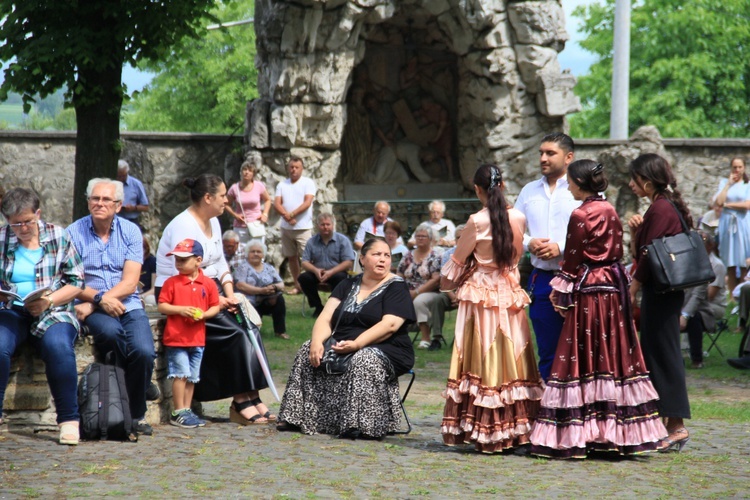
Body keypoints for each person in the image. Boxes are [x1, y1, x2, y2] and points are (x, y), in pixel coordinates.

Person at [528, 160, 667, 458]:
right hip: (614, 286)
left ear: (579, 183)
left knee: (582, 356)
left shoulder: (580, 214)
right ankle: (613, 433)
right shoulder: (609, 209)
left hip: (590, 286)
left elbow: (572, 257)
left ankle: (582, 433)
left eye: (570, 182)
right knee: (612, 354)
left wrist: (561, 287)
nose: (567, 186)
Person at [156, 174, 276, 425]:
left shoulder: (214, 222)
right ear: (208, 198)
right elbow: (186, 271)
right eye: (223, 196)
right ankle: (240, 399)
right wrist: (217, 299)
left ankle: (253, 396)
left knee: (248, 325)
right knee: (236, 334)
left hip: (209, 289)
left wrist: (230, 295)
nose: (227, 200)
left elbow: (220, 261)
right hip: (182, 293)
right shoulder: (184, 226)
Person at [440, 165, 543, 453]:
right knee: (513, 355)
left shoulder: (476, 221)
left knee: (482, 357)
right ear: (504, 184)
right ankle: (518, 427)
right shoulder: (519, 217)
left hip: (481, 294)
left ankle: (484, 428)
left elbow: (454, 266)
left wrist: (451, 282)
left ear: (477, 189)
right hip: (509, 292)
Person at [277, 238, 416, 438]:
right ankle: (297, 417)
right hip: (344, 342)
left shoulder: (397, 286)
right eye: (376, 254)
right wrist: (317, 342)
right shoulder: (347, 284)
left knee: (364, 359)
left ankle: (362, 424)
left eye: (387, 255)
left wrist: (358, 344)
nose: (383, 259)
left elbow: (390, 325)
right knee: (307, 348)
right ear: (362, 259)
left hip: (387, 347)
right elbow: (326, 318)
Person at [67, 178, 156, 436]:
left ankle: (135, 413)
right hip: (88, 300)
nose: (100, 203)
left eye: (106, 199)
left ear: (118, 205)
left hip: (126, 303)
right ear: (88, 202)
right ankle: (132, 409)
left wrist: (99, 301)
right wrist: (97, 300)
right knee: (110, 334)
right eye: (95, 198)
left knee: (143, 351)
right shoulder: (73, 232)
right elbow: (70, 280)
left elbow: (130, 282)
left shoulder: (130, 232)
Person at [0, 188, 85, 445]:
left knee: (58, 346)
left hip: (53, 309)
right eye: (15, 223)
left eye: (27, 221)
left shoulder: (58, 236)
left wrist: (48, 300)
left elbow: (76, 282)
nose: (22, 228)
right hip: (12, 309)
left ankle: (69, 420)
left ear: (38, 214)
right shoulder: (3, 239)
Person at [628, 153, 693, 452]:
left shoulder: (661, 209)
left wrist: (634, 286)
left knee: (664, 355)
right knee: (657, 354)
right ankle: (667, 424)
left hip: (662, 294)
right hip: (663, 294)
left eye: (635, 178)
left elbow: (648, 256)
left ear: (648, 181)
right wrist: (634, 232)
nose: (631, 184)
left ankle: (677, 426)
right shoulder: (660, 208)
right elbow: (641, 250)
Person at [514, 132, 580, 381]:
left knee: (580, 347)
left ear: (568, 157)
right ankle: (549, 410)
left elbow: (597, 230)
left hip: (578, 279)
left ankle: (580, 410)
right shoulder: (529, 191)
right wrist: (529, 242)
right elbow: (512, 231)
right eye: (541, 152)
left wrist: (561, 247)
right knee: (548, 347)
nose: (543, 158)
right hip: (542, 279)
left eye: (550, 153)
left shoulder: (581, 189)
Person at [157, 239, 220, 428]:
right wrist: (181, 310)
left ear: (198, 260)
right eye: (177, 260)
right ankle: (178, 411)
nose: (179, 264)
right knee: (180, 374)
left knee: (192, 377)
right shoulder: (171, 283)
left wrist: (204, 315)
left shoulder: (207, 283)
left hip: (197, 339)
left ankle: (186, 409)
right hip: (177, 339)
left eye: (183, 260)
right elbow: (162, 305)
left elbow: (215, 306)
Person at [680, 231, 727, 369]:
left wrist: (685, 315)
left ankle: (697, 359)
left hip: (703, 309)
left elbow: (699, 296)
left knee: (694, 317)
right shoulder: (682, 263)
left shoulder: (709, 266)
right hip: (681, 305)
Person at [273, 156, 316, 295]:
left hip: (303, 227)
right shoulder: (282, 184)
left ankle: (310, 285)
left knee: (307, 258)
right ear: (288, 168)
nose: (294, 170)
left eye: (297, 167)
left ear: (302, 168)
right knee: (292, 257)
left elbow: (307, 202)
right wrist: (286, 216)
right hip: (286, 228)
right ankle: (298, 285)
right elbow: (277, 203)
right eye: (291, 167)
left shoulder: (308, 183)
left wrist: (291, 215)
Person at [299, 213, 355, 318]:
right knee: (303, 278)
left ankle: (333, 307)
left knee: (341, 278)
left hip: (336, 273)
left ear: (333, 225)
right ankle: (318, 307)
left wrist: (331, 272)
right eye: (322, 224)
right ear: (317, 226)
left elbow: (348, 262)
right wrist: (315, 270)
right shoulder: (312, 242)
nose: (325, 227)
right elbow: (304, 262)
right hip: (318, 273)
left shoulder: (342, 240)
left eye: (328, 224)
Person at [397, 223, 443, 350]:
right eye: (418, 236)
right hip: (408, 290)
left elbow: (436, 280)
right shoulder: (408, 255)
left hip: (429, 291)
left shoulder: (435, 256)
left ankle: (426, 338)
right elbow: (400, 273)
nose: (420, 238)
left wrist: (416, 292)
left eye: (423, 236)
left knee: (419, 302)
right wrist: (401, 289)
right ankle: (397, 337)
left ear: (430, 239)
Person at [234, 242, 289, 340]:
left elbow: (281, 284)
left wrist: (274, 287)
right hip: (249, 302)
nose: (255, 254)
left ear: (263, 255)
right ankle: (251, 331)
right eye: (252, 251)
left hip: (266, 300)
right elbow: (240, 285)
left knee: (279, 299)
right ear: (247, 253)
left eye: (258, 252)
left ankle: (280, 331)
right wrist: (261, 290)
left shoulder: (269, 268)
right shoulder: (243, 267)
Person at [712, 157, 750, 292]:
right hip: (727, 224)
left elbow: (747, 205)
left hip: (742, 223)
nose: (737, 170)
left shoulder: (747, 184)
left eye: (740, 167)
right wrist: (728, 184)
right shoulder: (724, 183)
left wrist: (728, 205)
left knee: (744, 261)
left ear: (744, 168)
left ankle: (743, 293)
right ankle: (733, 296)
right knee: (730, 261)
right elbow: (718, 201)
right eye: (735, 167)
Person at [225, 160, 271, 245]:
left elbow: (268, 200)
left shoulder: (259, 186)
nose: (247, 172)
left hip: (256, 224)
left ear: (253, 174)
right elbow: (226, 204)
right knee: (241, 253)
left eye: (250, 170)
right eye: (245, 169)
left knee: (257, 252)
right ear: (241, 172)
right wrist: (235, 215)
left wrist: (265, 214)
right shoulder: (234, 188)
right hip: (240, 226)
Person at [116, 160, 149, 230]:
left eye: (123, 176)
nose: (121, 178)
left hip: (131, 221)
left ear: (127, 172)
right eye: (119, 176)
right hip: (114, 220)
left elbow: (146, 207)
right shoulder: (111, 183)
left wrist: (133, 208)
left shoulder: (136, 184)